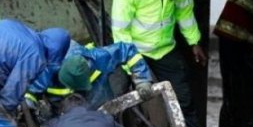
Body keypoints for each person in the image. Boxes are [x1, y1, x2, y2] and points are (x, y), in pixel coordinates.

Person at [111, 0, 216, 127]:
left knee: (183, 96)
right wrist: (134, 67)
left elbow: (184, 12)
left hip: (165, 49)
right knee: (125, 97)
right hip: (135, 51)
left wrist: (194, 41)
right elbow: (121, 32)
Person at [25, 41, 155, 114]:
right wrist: (30, 101)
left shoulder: (99, 58)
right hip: (65, 115)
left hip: (101, 106)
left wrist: (142, 80)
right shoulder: (46, 71)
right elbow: (30, 90)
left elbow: (128, 50)